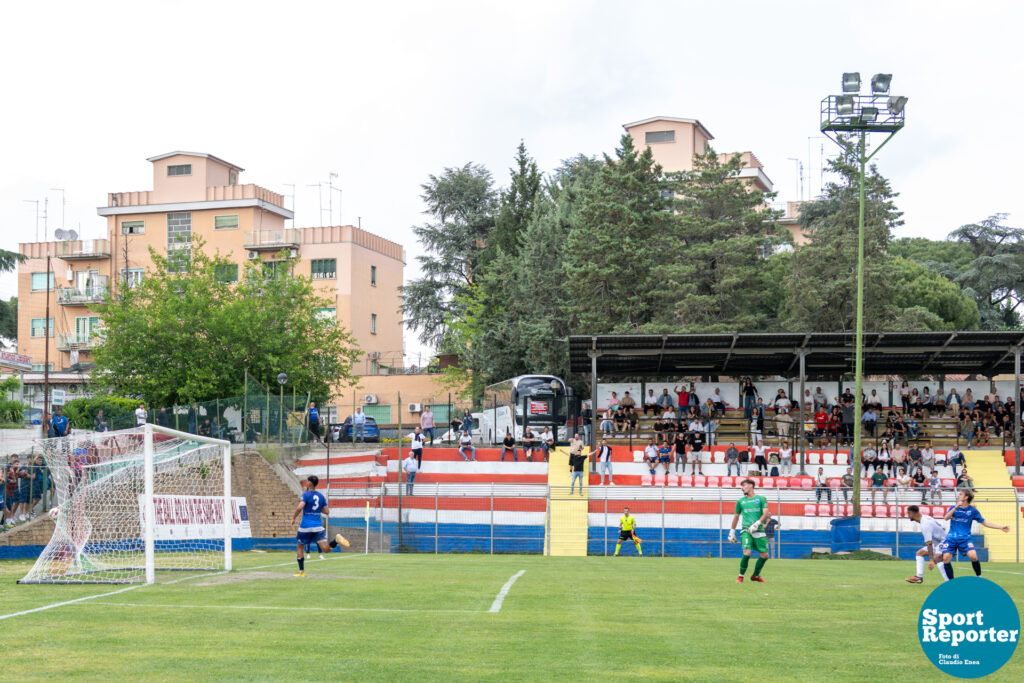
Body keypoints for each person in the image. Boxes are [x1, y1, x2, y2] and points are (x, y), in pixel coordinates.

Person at [939, 490, 1010, 579]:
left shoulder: (973, 511)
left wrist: (1000, 527)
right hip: (951, 538)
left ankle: (979, 577)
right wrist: (956, 507)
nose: (958, 496)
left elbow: (985, 522)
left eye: (961, 494)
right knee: (946, 558)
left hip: (965, 539)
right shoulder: (953, 507)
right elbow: (946, 518)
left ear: (966, 497)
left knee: (973, 556)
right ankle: (951, 582)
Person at [290, 475, 346, 577]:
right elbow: (327, 512)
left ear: (309, 483)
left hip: (305, 526)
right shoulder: (321, 496)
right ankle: (336, 540)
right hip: (318, 527)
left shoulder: (306, 495)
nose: (306, 483)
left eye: (307, 481)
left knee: (299, 547)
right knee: (326, 549)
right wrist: (316, 509)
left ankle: (301, 572)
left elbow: (300, 507)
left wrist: (293, 518)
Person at [728, 479, 770, 583]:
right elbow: (736, 517)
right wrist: (732, 531)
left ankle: (755, 576)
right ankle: (740, 577)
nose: (742, 488)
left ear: (751, 485)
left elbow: (765, 514)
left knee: (765, 556)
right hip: (746, 530)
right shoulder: (740, 501)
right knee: (747, 552)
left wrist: (757, 524)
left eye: (744, 485)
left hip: (759, 530)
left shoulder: (761, 499)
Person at [905, 505, 949, 584]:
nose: (907, 515)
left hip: (945, 541)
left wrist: (931, 560)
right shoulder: (925, 518)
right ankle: (919, 577)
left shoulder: (925, 525)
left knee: (937, 559)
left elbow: (929, 544)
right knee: (919, 553)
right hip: (938, 541)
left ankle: (948, 581)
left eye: (908, 513)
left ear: (912, 513)